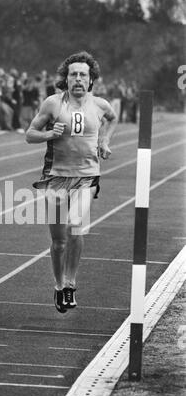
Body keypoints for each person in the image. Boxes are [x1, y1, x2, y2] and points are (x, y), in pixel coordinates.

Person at [25, 51, 117, 313]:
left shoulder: (100, 105)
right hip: (55, 177)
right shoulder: (53, 104)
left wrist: (104, 141)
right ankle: (57, 285)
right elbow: (29, 135)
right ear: (65, 79)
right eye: (73, 74)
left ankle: (70, 284)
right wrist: (47, 134)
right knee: (59, 241)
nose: (78, 79)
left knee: (76, 226)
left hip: (86, 176)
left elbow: (112, 119)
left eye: (83, 75)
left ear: (90, 81)